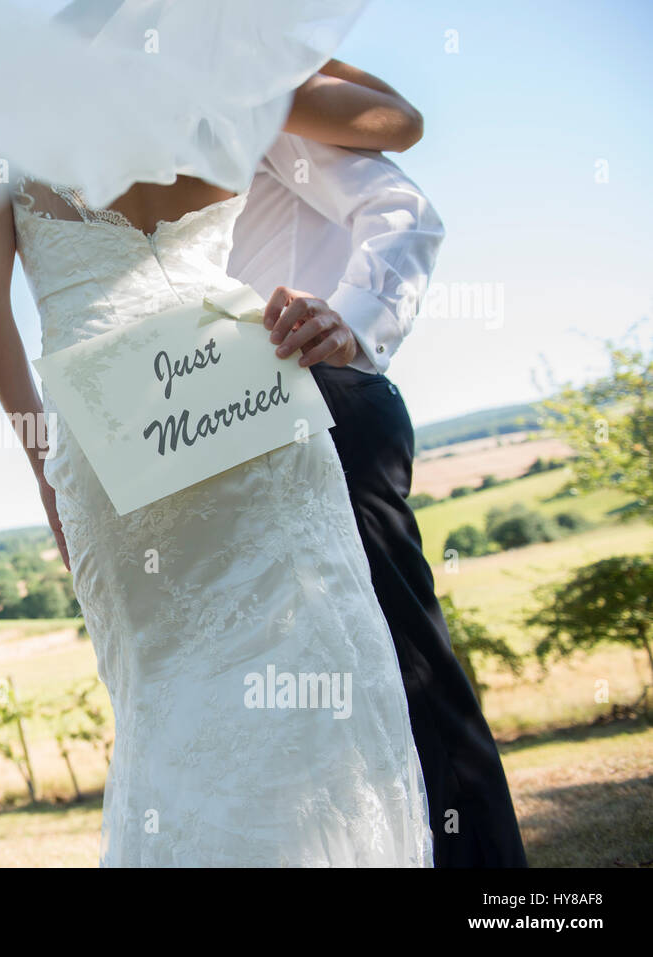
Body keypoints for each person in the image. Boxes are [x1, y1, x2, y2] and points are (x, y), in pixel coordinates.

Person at [0, 60, 434, 865]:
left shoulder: (4, 97)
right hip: (247, 388)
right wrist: (290, 57)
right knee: (316, 687)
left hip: (109, 427)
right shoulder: (226, 72)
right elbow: (401, 120)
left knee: (167, 695)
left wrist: (45, 465)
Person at [228, 119, 530, 867]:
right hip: (224, 449)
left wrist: (350, 323)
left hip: (325, 411)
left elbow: (405, 210)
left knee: (408, 674)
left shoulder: (253, 107)